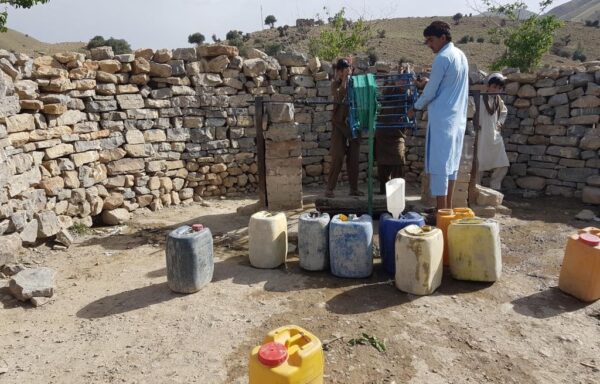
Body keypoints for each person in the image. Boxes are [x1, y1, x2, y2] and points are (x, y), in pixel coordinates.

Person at [407, 21, 469, 210]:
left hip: (443, 119)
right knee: (451, 165)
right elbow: (444, 85)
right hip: (457, 119)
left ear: (443, 38)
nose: (429, 45)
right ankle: (447, 209)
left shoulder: (442, 58)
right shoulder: (461, 55)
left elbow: (431, 91)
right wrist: (428, 82)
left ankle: (441, 211)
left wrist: (415, 107)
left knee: (440, 166)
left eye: (431, 40)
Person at [325, 58, 363, 198]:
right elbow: (339, 95)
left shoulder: (356, 84)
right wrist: (345, 80)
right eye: (342, 70)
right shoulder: (335, 84)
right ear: (339, 72)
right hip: (339, 125)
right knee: (338, 156)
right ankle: (330, 189)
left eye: (347, 70)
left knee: (353, 159)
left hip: (354, 125)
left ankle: (354, 189)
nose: (344, 72)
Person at [375, 72, 408, 194]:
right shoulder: (389, 91)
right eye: (400, 80)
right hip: (383, 132)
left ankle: (397, 192)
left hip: (397, 134)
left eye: (404, 81)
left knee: (398, 160)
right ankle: (383, 190)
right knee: (382, 164)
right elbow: (384, 94)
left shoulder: (406, 94)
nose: (402, 83)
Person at [477, 73, 509, 191]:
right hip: (481, 136)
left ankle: (495, 189)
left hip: (494, 136)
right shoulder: (479, 98)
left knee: (502, 164)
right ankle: (476, 190)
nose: (496, 90)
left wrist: (499, 123)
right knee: (479, 165)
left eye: (499, 88)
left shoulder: (498, 100)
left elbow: (504, 112)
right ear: (488, 86)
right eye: (494, 87)